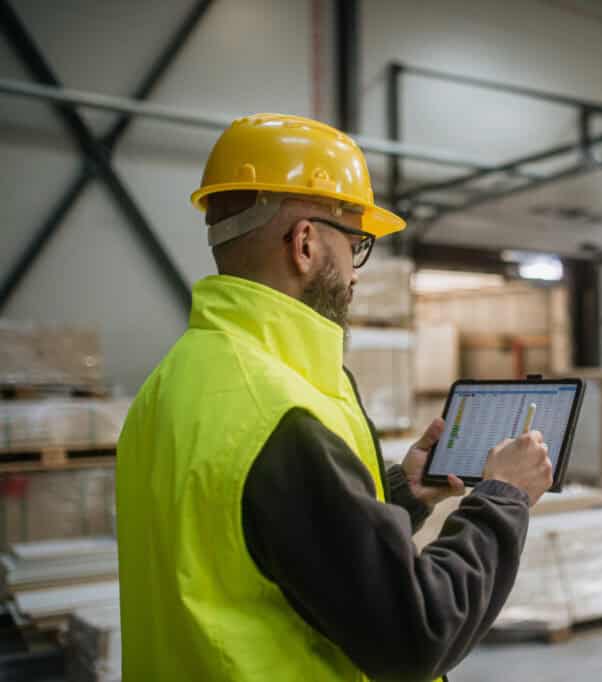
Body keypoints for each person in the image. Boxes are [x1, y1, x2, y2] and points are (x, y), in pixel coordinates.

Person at [116, 113, 553, 681]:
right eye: (356, 244)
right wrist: (503, 497)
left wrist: (400, 494)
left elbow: (265, 548)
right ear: (304, 243)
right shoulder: (282, 417)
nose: (355, 272)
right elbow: (415, 633)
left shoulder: (170, 385)